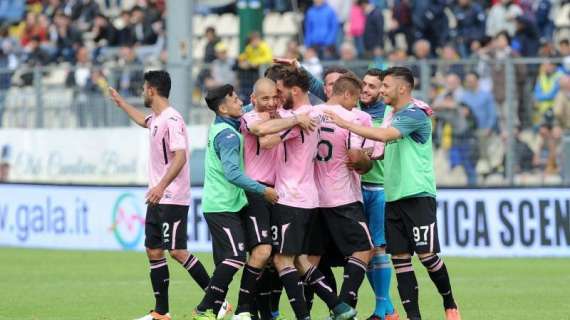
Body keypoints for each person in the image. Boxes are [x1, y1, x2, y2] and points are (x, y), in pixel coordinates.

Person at [325, 66, 462, 320]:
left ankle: (450, 303)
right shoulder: (390, 112)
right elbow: (379, 146)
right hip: (393, 197)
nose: (381, 90)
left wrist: (344, 123)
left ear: (402, 88)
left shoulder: (415, 114)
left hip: (418, 195)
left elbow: (386, 135)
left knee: (427, 256)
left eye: (385, 86)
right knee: (400, 261)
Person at [249, 68, 356, 320]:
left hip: (292, 197)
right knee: (301, 261)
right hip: (306, 197)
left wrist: (271, 118)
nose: (276, 98)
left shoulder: (302, 117)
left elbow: (264, 139)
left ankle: (305, 316)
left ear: (293, 91)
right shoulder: (309, 114)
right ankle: (339, 307)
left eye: (279, 91)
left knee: (281, 261)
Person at [108, 70, 211, 320]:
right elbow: (143, 121)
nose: (143, 92)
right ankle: (161, 312)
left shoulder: (172, 119)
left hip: (171, 195)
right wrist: (122, 104)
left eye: (144, 89)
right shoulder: (156, 119)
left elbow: (180, 156)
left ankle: (217, 300)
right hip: (157, 196)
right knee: (153, 250)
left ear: (152, 90)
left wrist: (161, 185)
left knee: (177, 251)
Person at [192, 84, 280, 320]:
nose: (240, 102)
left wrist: (262, 101)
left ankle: (218, 309)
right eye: (234, 99)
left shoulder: (222, 125)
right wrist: (263, 190)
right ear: (223, 107)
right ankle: (204, 308)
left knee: (226, 260)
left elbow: (246, 110)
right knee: (234, 258)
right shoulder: (229, 136)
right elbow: (233, 174)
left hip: (222, 204)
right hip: (223, 206)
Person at [312, 74, 374, 310]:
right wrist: (365, 162)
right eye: (355, 99)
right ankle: (344, 305)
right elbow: (356, 158)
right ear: (347, 94)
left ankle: (308, 311)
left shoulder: (310, 113)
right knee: (362, 250)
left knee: (312, 259)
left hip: (311, 198)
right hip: (341, 196)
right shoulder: (350, 119)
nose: (355, 105)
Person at [233, 78, 281, 319]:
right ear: (253, 99)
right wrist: (293, 125)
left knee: (276, 258)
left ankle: (267, 310)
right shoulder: (250, 118)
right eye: (265, 98)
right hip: (256, 192)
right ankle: (242, 309)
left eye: (274, 97)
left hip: (279, 193)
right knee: (262, 252)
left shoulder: (280, 115)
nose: (271, 103)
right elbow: (266, 139)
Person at [356, 68, 399, 320]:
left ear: (382, 89)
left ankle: (382, 311)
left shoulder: (389, 114)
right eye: (364, 85)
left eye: (373, 86)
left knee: (378, 248)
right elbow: (326, 91)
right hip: (357, 189)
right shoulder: (355, 112)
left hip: (380, 189)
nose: (366, 90)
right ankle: (388, 309)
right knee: (364, 250)